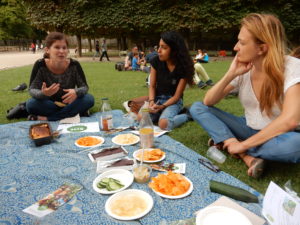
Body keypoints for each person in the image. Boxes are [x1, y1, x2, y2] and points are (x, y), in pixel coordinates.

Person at [190, 13, 300, 178]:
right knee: (197, 107)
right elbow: (208, 101)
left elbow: (290, 120)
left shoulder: (293, 67)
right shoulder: (245, 70)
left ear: (262, 48)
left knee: (294, 146)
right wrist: (231, 73)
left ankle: (227, 141)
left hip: (280, 136)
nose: (235, 47)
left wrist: (242, 146)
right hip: (248, 128)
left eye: (242, 43)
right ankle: (237, 147)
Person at [124, 31, 194, 130]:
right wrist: (152, 102)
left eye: (164, 48)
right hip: (157, 99)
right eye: (159, 46)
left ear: (174, 50)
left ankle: (187, 115)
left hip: (173, 102)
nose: (159, 51)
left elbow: (177, 96)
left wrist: (163, 106)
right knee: (140, 118)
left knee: (164, 124)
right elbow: (152, 86)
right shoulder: (156, 62)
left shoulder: (183, 67)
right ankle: (160, 115)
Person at [26, 32, 95, 121]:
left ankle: (49, 118)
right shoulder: (40, 65)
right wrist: (43, 94)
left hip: (71, 102)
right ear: (47, 50)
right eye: (57, 47)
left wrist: (76, 92)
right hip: (50, 104)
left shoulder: (74, 65)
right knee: (31, 104)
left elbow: (84, 87)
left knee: (89, 99)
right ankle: (74, 113)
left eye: (64, 48)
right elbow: (32, 89)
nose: (61, 51)